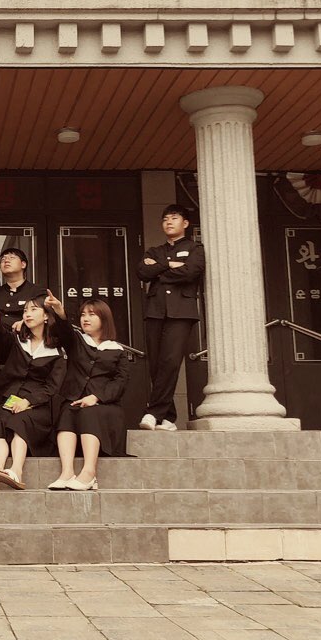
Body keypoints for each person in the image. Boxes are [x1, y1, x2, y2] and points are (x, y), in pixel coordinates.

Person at [0, 296, 65, 491]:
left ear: (46, 316)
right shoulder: (18, 341)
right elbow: (0, 336)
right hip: (11, 399)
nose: (27, 314)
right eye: (25, 311)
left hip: (39, 406)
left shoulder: (57, 350)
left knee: (19, 420)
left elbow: (52, 386)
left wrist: (28, 401)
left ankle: (16, 470)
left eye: (33, 310)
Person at [44, 291, 130, 489]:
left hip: (105, 406)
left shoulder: (117, 350)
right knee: (67, 412)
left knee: (89, 412)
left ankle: (89, 473)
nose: (85, 319)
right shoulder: (77, 341)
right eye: (83, 314)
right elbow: (64, 330)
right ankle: (67, 472)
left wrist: (97, 397)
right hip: (75, 400)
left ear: (104, 318)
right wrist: (59, 310)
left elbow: (120, 382)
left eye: (92, 314)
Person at [137, 204, 205, 432]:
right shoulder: (154, 251)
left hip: (181, 312)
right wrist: (168, 265)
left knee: (171, 361)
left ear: (185, 223)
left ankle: (153, 412)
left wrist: (159, 271)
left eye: (174, 218)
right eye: (165, 219)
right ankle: (168, 417)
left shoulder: (195, 248)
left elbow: (191, 272)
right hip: (155, 311)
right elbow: (142, 272)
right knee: (156, 365)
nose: (168, 222)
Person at [0, 247, 45, 330]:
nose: (6, 261)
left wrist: (25, 322)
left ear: (23, 264)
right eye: (3, 259)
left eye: (12, 257)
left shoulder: (37, 292)